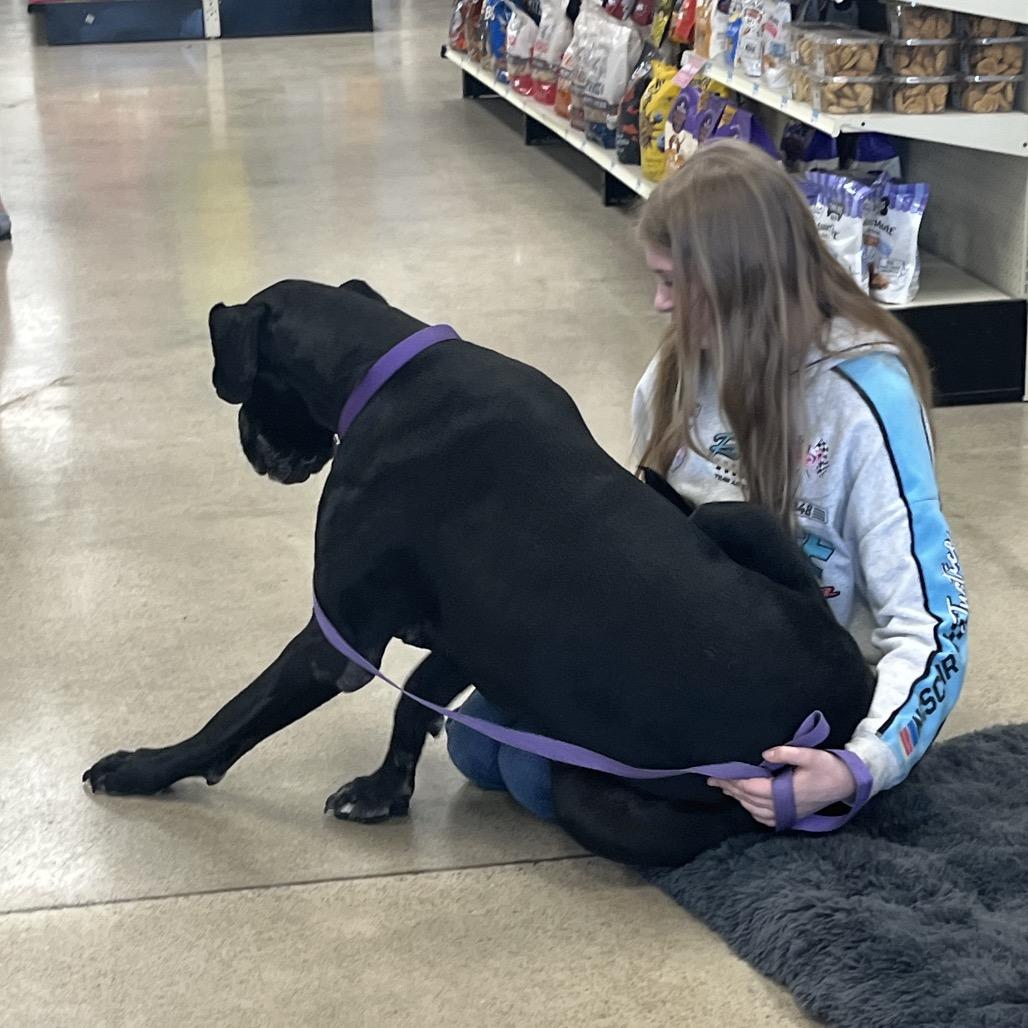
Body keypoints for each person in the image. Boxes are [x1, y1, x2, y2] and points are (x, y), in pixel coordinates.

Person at [447, 140, 968, 831]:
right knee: (475, 743)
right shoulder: (678, 371)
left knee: (531, 773)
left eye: (672, 283)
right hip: (692, 640)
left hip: (796, 683)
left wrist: (857, 766)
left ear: (737, 284)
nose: (658, 304)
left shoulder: (867, 401)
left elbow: (936, 623)